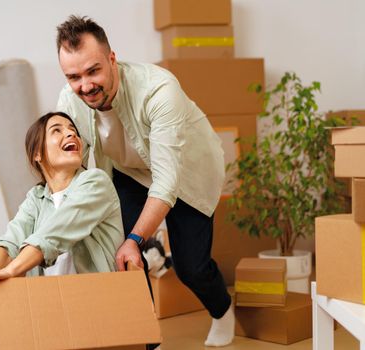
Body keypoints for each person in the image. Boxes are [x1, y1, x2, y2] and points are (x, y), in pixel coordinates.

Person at [55, 16, 234, 347]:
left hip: (186, 173)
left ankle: (222, 310)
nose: (85, 85)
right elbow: (70, 166)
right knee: (122, 257)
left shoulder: (159, 90)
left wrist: (135, 237)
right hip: (128, 171)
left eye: (93, 71)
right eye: (73, 77)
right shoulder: (70, 100)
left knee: (190, 267)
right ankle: (150, 339)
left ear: (112, 59)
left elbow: (167, 182)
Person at [0, 112, 124, 280]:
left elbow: (55, 232)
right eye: (57, 130)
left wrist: (8, 271)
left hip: (96, 299)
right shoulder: (36, 197)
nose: (71, 133)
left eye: (73, 130)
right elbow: (11, 241)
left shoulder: (96, 182)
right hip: (48, 300)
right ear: (37, 153)